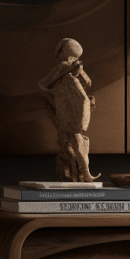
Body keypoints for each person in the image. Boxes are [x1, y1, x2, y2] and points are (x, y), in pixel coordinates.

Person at [38, 38, 100, 182]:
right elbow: (43, 84)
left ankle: (84, 172)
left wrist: (77, 72)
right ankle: (77, 172)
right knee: (66, 141)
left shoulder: (74, 69)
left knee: (75, 138)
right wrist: (65, 70)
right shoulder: (61, 69)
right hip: (63, 108)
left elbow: (88, 82)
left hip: (74, 106)